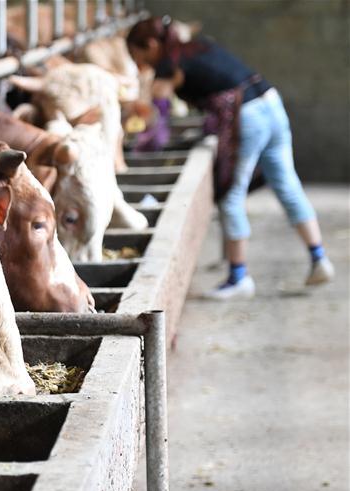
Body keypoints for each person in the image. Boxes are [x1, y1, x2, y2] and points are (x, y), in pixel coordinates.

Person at [126, 16, 334, 300]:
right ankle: (319, 258)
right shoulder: (198, 47)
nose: (140, 65)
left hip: (247, 116)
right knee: (286, 183)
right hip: (271, 102)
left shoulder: (166, 66)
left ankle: (239, 278)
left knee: (229, 195)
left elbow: (158, 124)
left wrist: (140, 149)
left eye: (138, 56)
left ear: (151, 45)